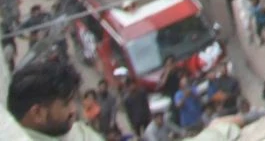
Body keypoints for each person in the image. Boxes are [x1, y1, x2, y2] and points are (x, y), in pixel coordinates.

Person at [9, 58, 242, 141]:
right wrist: (218, 133)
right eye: (65, 104)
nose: (74, 110)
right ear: (37, 113)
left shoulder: (65, 131)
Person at [119, 67, 152, 136]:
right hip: (136, 120)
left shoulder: (141, 93)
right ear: (127, 87)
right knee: (138, 136)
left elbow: (146, 104)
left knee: (148, 134)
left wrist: (149, 115)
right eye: (130, 85)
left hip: (145, 117)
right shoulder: (127, 99)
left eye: (133, 84)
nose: (132, 87)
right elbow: (129, 113)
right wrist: (131, 124)